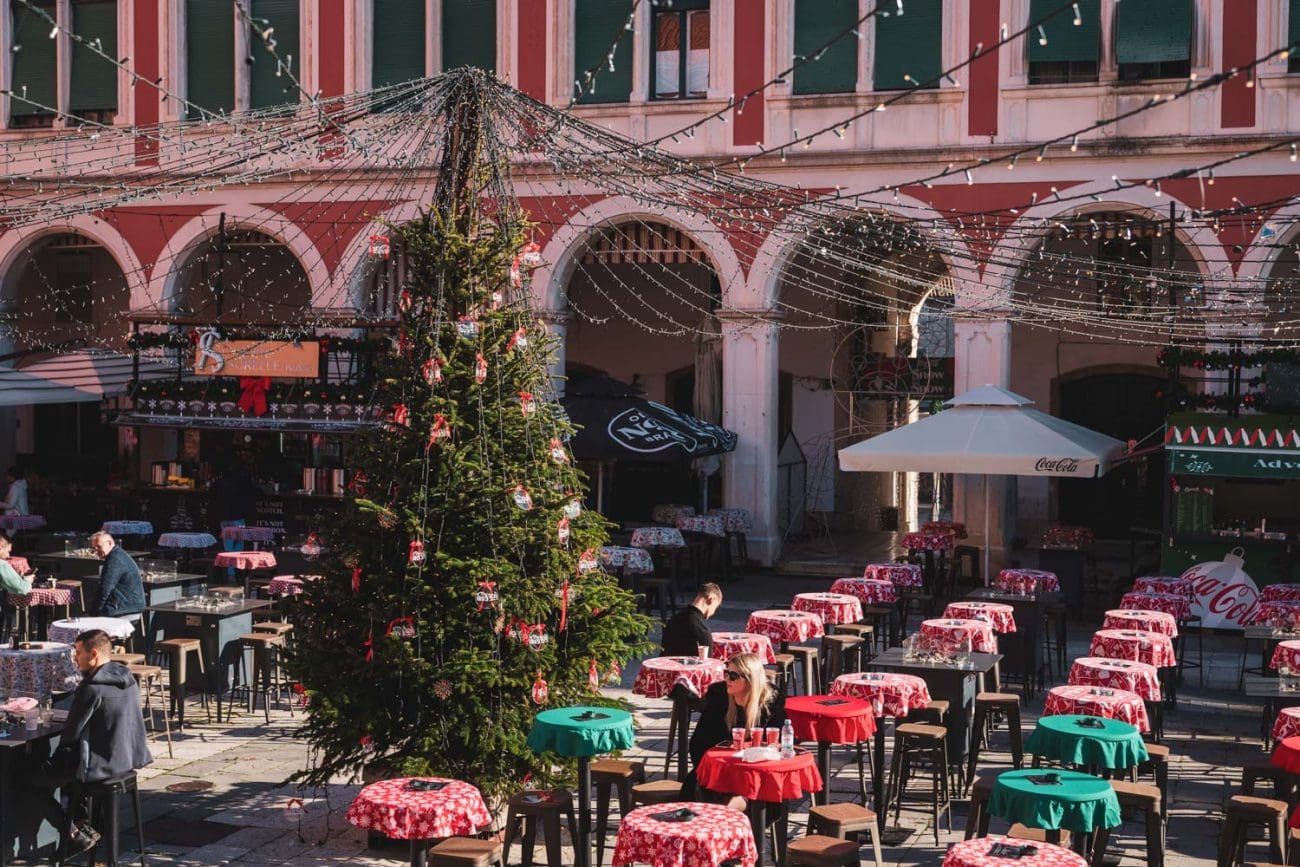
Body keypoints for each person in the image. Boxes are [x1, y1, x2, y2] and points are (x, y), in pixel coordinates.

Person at [89, 532, 145, 619]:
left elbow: (105, 588)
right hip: (129, 607)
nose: (96, 550)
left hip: (123, 610)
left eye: (99, 546)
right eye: (94, 548)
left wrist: (93, 613)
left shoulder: (115, 560)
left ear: (110, 543)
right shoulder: (118, 555)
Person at [660, 582, 722, 656]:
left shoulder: (673, 620)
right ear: (711, 600)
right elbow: (707, 665)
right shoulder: (702, 633)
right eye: (716, 607)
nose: (713, 612)